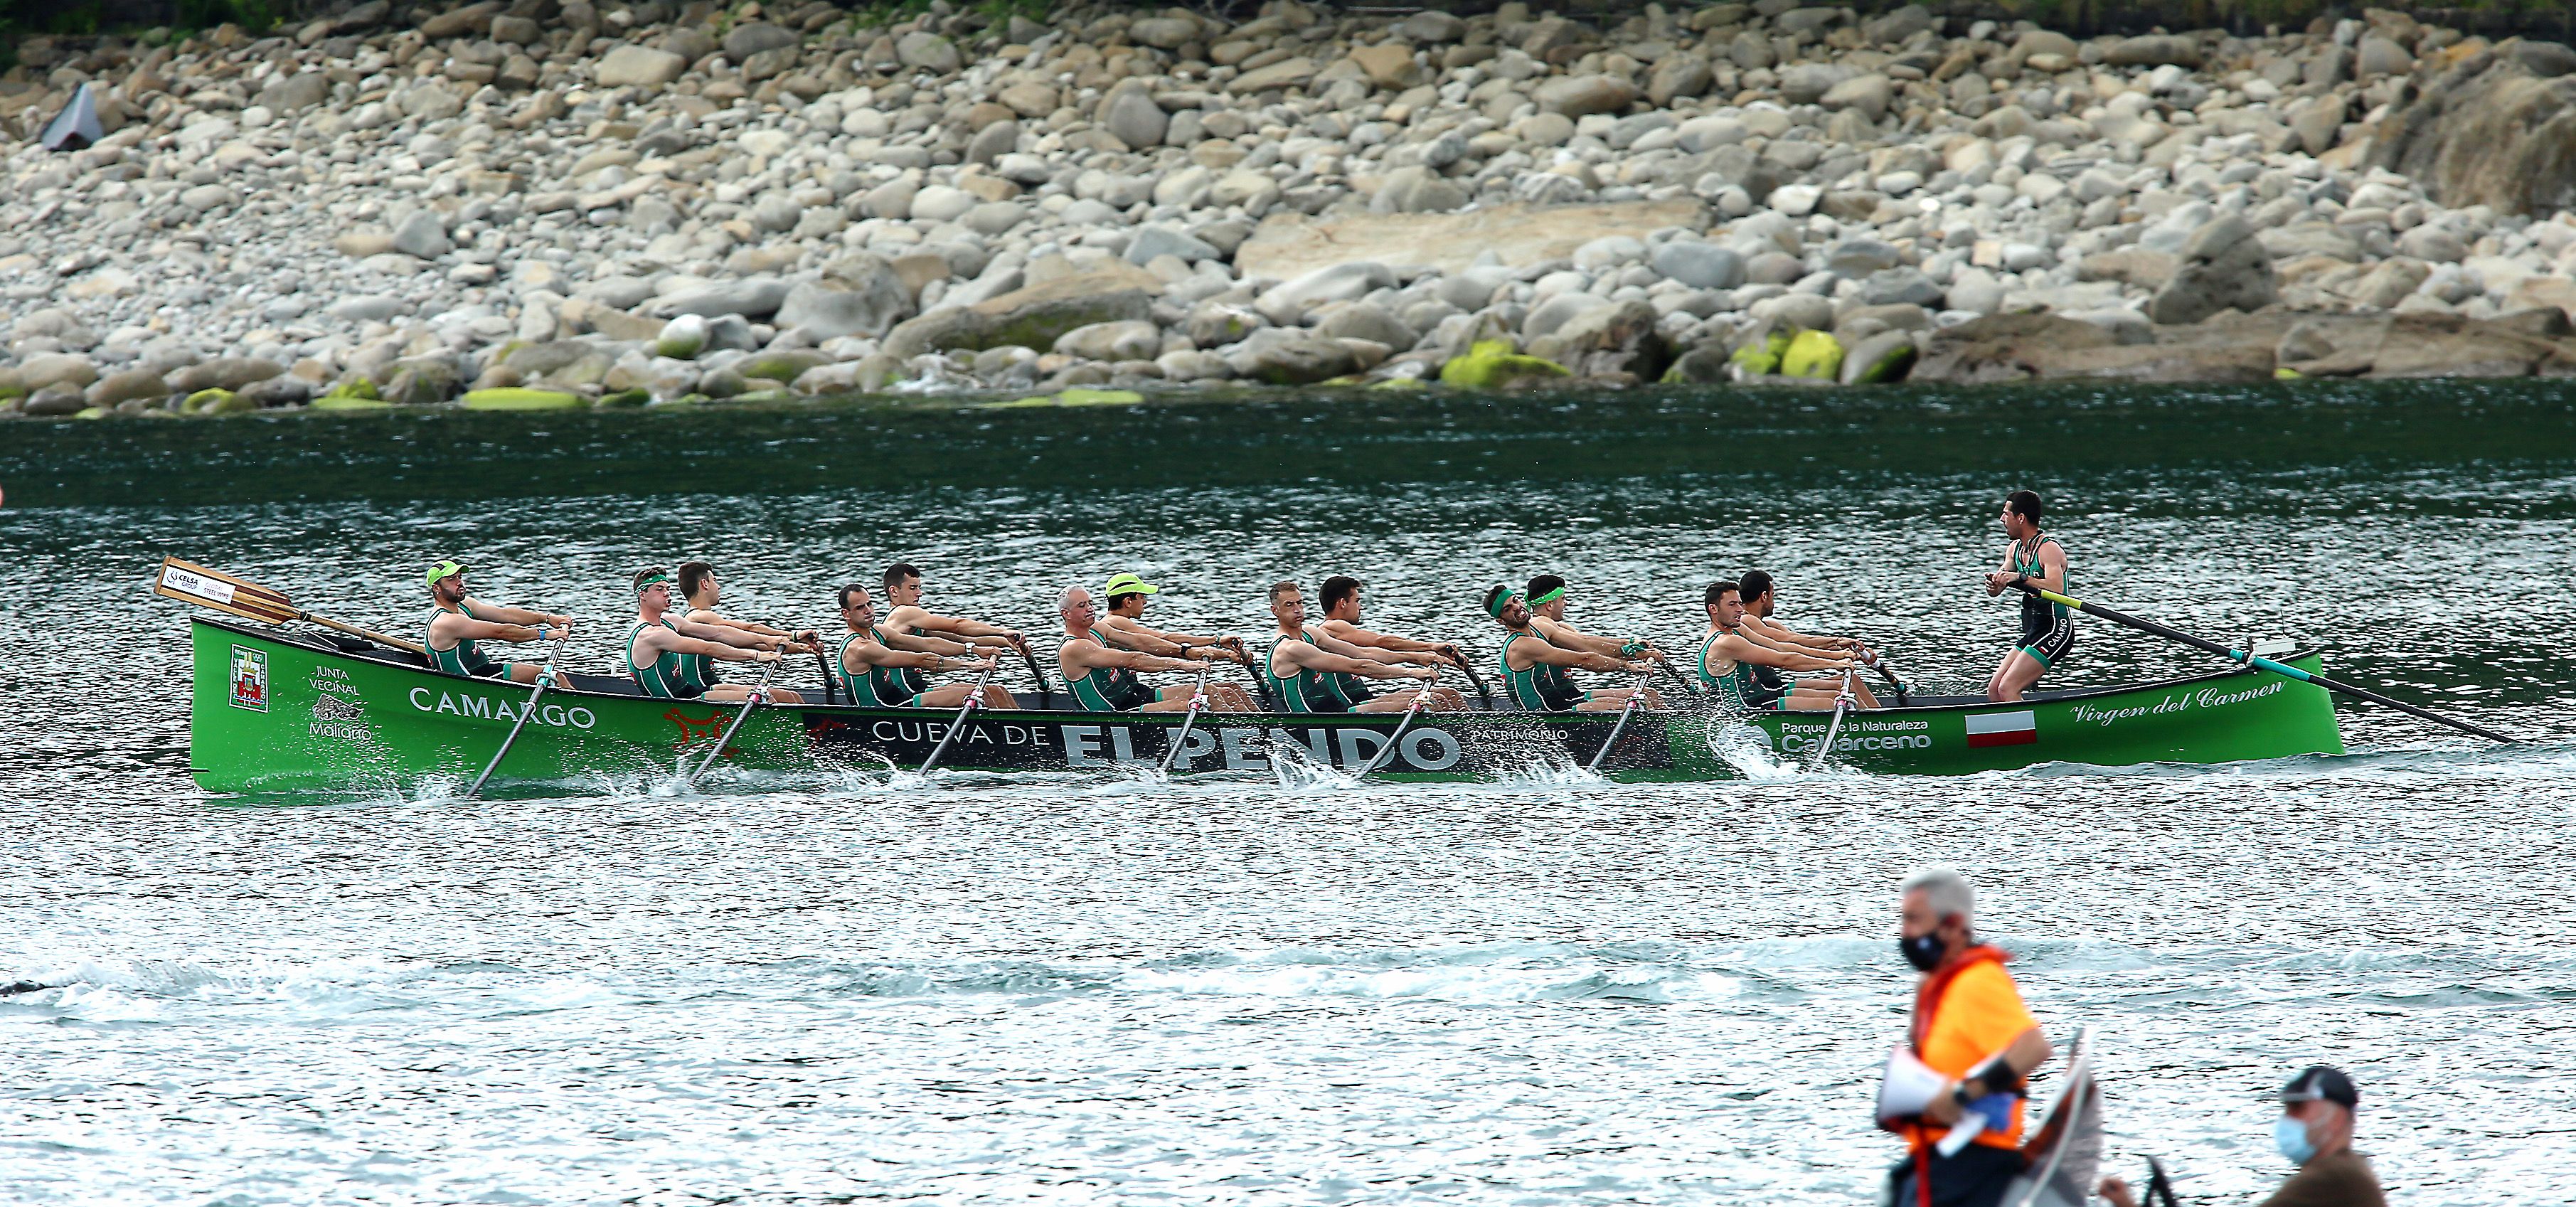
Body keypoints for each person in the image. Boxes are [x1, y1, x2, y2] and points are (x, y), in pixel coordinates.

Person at [1882, 866, 2055, 1207]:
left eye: (1915, 920)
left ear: (1954, 925)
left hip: (1973, 1166)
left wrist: (1963, 1095)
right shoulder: (1935, 986)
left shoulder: (1978, 981)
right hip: (1934, 1159)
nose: (1905, 934)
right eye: (1903, 920)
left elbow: (2033, 1047)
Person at [2098, 1067, 2386, 1207]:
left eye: (2298, 1109)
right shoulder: (2349, 1170)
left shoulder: (2333, 1178)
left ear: (2335, 1119)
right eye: (2287, 1109)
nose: (2288, 1120)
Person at [1260, 580, 1455, 713]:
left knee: (1441, 696)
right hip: (1321, 721)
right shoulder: (1289, 649)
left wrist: (1417, 658)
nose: (1297, 610)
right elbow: (1357, 666)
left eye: (1300, 603)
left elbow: (1363, 653)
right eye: (1289, 605)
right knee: (1432, 702)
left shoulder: (1311, 633)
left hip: (1343, 711)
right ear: (1275, 611)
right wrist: (1412, 673)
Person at [1055, 585, 1257, 712]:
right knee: (1187, 705)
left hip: (1132, 696)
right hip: (1115, 714)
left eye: (1090, 603)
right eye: (1082, 605)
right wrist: (1183, 665)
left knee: (1215, 691)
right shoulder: (1073, 648)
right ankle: (1247, 743)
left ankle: (1264, 733)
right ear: (1066, 614)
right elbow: (1132, 659)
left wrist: (1186, 652)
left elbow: (1141, 642)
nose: (1090, 608)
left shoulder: (1098, 628)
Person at [1696, 580, 1874, 712]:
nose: (1740, 610)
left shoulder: (1736, 629)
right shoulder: (1726, 642)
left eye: (1740, 603)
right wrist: (1834, 663)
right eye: (1732, 604)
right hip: (1744, 711)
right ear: (1714, 609)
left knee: (1837, 692)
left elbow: (1781, 647)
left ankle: (1876, 721)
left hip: (1761, 696)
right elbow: (1784, 660)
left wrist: (1837, 653)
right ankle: (1876, 728)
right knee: (1831, 702)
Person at [623, 567, 794, 702]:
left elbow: (718, 633)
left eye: (668, 588)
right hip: (678, 703)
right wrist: (757, 656)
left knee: (786, 697)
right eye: (659, 589)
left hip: (693, 692)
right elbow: (708, 648)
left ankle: (812, 738)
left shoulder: (671, 620)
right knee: (766, 700)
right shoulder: (650, 635)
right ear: (642, 595)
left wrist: (769, 640)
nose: (667, 593)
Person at [1481, 585, 1661, 713]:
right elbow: (1583, 659)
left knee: (1645, 696)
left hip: (1564, 700)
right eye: (1508, 609)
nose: (1517, 607)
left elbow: (1586, 643)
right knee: (1623, 707)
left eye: (1516, 601)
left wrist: (1632, 649)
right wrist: (1628, 666)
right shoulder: (1521, 646)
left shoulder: (1540, 626)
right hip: (1544, 714)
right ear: (1501, 621)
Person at [830, 584, 1008, 708]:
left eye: (870, 604)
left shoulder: (879, 631)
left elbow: (926, 644)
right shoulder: (859, 648)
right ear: (846, 614)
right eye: (860, 607)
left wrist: (973, 650)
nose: (868, 610)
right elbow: (922, 660)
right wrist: (972, 666)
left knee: (995, 691)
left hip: (901, 699)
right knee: (976, 694)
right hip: (882, 711)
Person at [1311, 574, 1472, 711]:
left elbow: (1380, 654)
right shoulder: (1331, 627)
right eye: (1357, 601)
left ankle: (1474, 734)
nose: (1361, 607)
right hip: (1349, 705)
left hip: (1365, 697)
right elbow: (1381, 641)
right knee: (1436, 701)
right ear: (1343, 603)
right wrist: (1430, 647)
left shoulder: (1341, 633)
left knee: (1450, 693)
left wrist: (1434, 656)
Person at [878, 562, 1034, 699]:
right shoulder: (904, 613)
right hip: (905, 694)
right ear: (894, 592)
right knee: (986, 694)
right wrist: (1002, 631)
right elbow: (958, 625)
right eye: (913, 588)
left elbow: (960, 638)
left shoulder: (910, 623)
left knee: (997, 691)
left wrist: (1006, 642)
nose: (919, 594)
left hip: (917, 688)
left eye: (919, 587)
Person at [1737, 568, 1885, 706]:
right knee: (1835, 694)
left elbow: (1804, 643)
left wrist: (1854, 652)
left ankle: (1880, 720)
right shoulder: (1745, 621)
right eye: (1773, 595)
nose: (1773, 601)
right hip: (1761, 695)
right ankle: (1874, 725)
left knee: (1852, 680)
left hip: (1774, 686)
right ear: (1764, 596)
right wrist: (1837, 645)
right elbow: (1788, 642)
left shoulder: (1769, 625)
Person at [676, 560, 820, 692]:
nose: (719, 587)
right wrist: (793, 635)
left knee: (789, 696)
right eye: (715, 581)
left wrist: (804, 648)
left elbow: (758, 645)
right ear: (705, 584)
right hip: (699, 687)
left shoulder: (700, 617)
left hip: (709, 682)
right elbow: (749, 628)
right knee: (782, 697)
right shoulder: (698, 617)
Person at [423, 558, 573, 685]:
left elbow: (507, 615)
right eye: (451, 579)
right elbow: (500, 632)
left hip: (484, 671)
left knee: (553, 675)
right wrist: (544, 635)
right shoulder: (445, 622)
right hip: (466, 685)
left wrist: (546, 618)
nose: (459, 583)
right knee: (555, 677)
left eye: (460, 577)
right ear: (436, 588)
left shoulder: (466, 604)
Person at [1982, 491, 2071, 703]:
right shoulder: (2014, 550)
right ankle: (2008, 732)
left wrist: (2020, 578)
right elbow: (1997, 589)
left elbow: (2056, 589)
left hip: (2056, 628)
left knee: (2008, 688)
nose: (2002, 520)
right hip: (2036, 628)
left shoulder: (2049, 549)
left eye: (2006, 514)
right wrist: (1994, 584)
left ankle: (2027, 734)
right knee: (1994, 690)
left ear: (2020, 518)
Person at [1094, 571, 1257, 669]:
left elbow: (1169, 645)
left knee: (1230, 688)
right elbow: (1163, 640)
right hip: (1124, 698)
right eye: (1142, 597)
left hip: (1129, 688)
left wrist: (1226, 654)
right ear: (1128, 602)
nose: (1145, 602)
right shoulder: (1114, 622)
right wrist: (1216, 640)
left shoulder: (1117, 623)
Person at [1524, 573, 1669, 670]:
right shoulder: (1540, 624)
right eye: (1563, 599)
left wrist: (1629, 643)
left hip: (1562, 695)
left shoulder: (1559, 626)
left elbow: (1590, 641)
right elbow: (1587, 648)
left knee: (1650, 694)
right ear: (1549, 605)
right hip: (1547, 706)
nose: (1566, 604)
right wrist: (1634, 656)